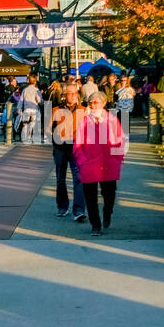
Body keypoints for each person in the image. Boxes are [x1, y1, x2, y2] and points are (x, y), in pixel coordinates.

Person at [73, 92, 125, 237]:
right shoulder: (84, 121)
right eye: (91, 103)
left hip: (109, 163)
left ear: (103, 103)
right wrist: (82, 162)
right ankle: (95, 225)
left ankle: (107, 213)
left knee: (109, 194)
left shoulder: (112, 120)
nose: (93, 105)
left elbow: (120, 141)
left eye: (96, 102)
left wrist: (117, 159)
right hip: (90, 164)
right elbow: (77, 144)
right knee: (90, 197)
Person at [51, 86, 87, 222]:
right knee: (60, 179)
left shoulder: (83, 111)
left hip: (77, 149)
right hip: (60, 148)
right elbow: (49, 129)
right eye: (69, 94)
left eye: (74, 93)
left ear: (77, 95)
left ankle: (78, 210)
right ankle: (62, 206)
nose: (72, 96)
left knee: (79, 178)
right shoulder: (56, 110)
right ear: (64, 96)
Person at [18, 73, 43, 143]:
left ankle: (25, 138)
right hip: (35, 109)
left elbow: (21, 100)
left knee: (25, 124)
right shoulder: (36, 90)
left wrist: (19, 108)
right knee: (34, 124)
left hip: (26, 109)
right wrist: (42, 102)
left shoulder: (25, 90)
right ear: (35, 82)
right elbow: (39, 100)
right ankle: (30, 137)